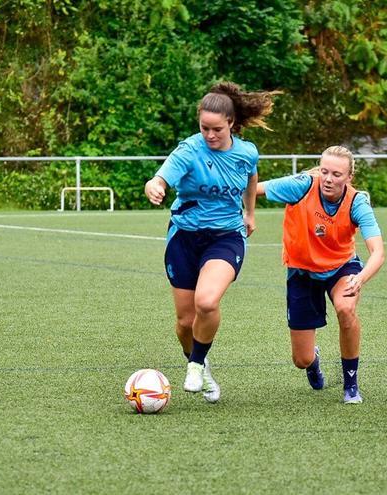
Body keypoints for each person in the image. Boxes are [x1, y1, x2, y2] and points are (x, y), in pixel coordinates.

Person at [144, 82, 280, 403]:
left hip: (226, 237)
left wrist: (249, 213)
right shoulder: (189, 150)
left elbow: (251, 178)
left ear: (231, 123)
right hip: (184, 237)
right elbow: (162, 176)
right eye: (204, 128)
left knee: (207, 302)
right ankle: (201, 364)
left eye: (216, 129)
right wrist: (155, 184)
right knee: (184, 323)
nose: (209, 135)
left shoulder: (246, 152)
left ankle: (194, 364)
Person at [256, 146, 384, 403]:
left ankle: (351, 384)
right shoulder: (301, 186)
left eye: (336, 174)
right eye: (324, 171)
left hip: (341, 268)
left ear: (349, 177)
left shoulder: (357, 202)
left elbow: (378, 252)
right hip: (302, 272)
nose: (328, 179)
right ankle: (313, 360)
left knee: (346, 308)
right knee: (300, 360)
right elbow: (253, 188)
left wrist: (359, 279)